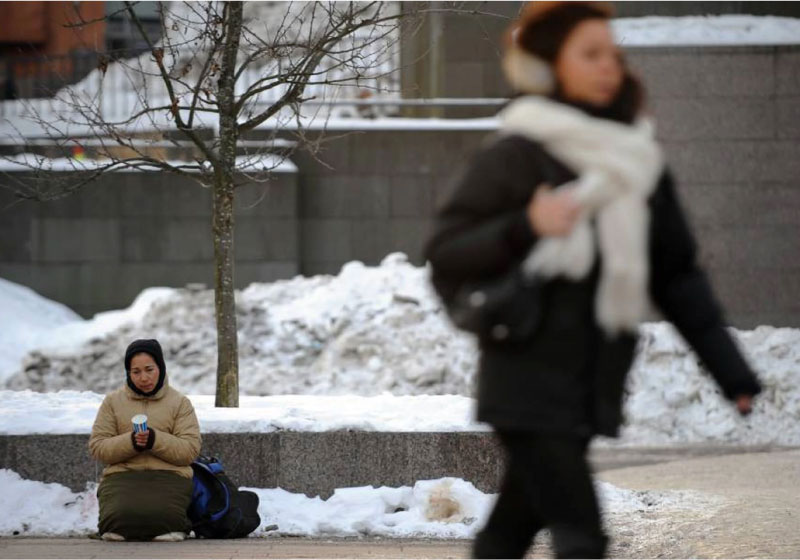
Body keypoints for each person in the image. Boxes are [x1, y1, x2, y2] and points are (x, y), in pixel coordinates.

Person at [424, 2, 762, 558]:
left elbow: (677, 276)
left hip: (590, 378)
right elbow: (445, 250)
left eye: (613, 54)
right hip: (524, 375)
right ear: (547, 65)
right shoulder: (519, 153)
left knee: (512, 526)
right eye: (590, 53)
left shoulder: (637, 163)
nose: (610, 66)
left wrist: (732, 371)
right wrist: (527, 225)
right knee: (582, 533)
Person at [89, 339, 201, 542]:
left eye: (149, 370)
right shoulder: (112, 402)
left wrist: (154, 440)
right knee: (116, 521)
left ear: (161, 368)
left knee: (165, 518)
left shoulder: (180, 403)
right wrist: (131, 442)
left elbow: (189, 450)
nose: (144, 378)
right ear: (128, 373)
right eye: (136, 372)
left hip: (169, 475)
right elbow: (98, 447)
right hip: (122, 475)